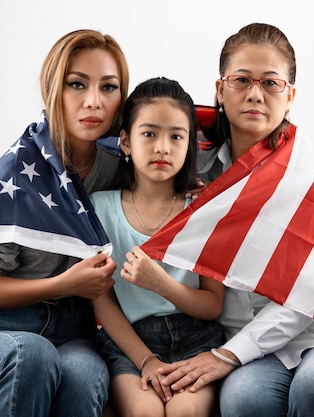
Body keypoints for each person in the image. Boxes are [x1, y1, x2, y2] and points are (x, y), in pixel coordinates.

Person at [155, 23, 314, 416]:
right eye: (241, 80)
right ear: (219, 89)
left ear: (290, 95)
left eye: (271, 83)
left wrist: (228, 355)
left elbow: (308, 296)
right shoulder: (194, 164)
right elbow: (133, 133)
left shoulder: (304, 174)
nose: (254, 94)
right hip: (255, 347)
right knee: (244, 400)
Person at [0, 29, 130, 417]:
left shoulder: (122, 166)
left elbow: (175, 132)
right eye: (76, 84)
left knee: (84, 375)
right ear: (52, 90)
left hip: (75, 332)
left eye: (108, 88)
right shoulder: (18, 172)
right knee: (33, 354)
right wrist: (66, 284)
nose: (93, 101)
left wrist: (186, 184)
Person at [90, 77, 225, 417]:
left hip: (197, 340)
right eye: (149, 134)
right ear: (125, 141)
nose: (162, 147)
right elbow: (100, 299)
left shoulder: (203, 211)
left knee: (184, 412)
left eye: (176, 136)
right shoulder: (99, 207)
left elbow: (212, 305)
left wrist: (159, 282)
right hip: (130, 343)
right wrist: (146, 359)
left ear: (189, 145)